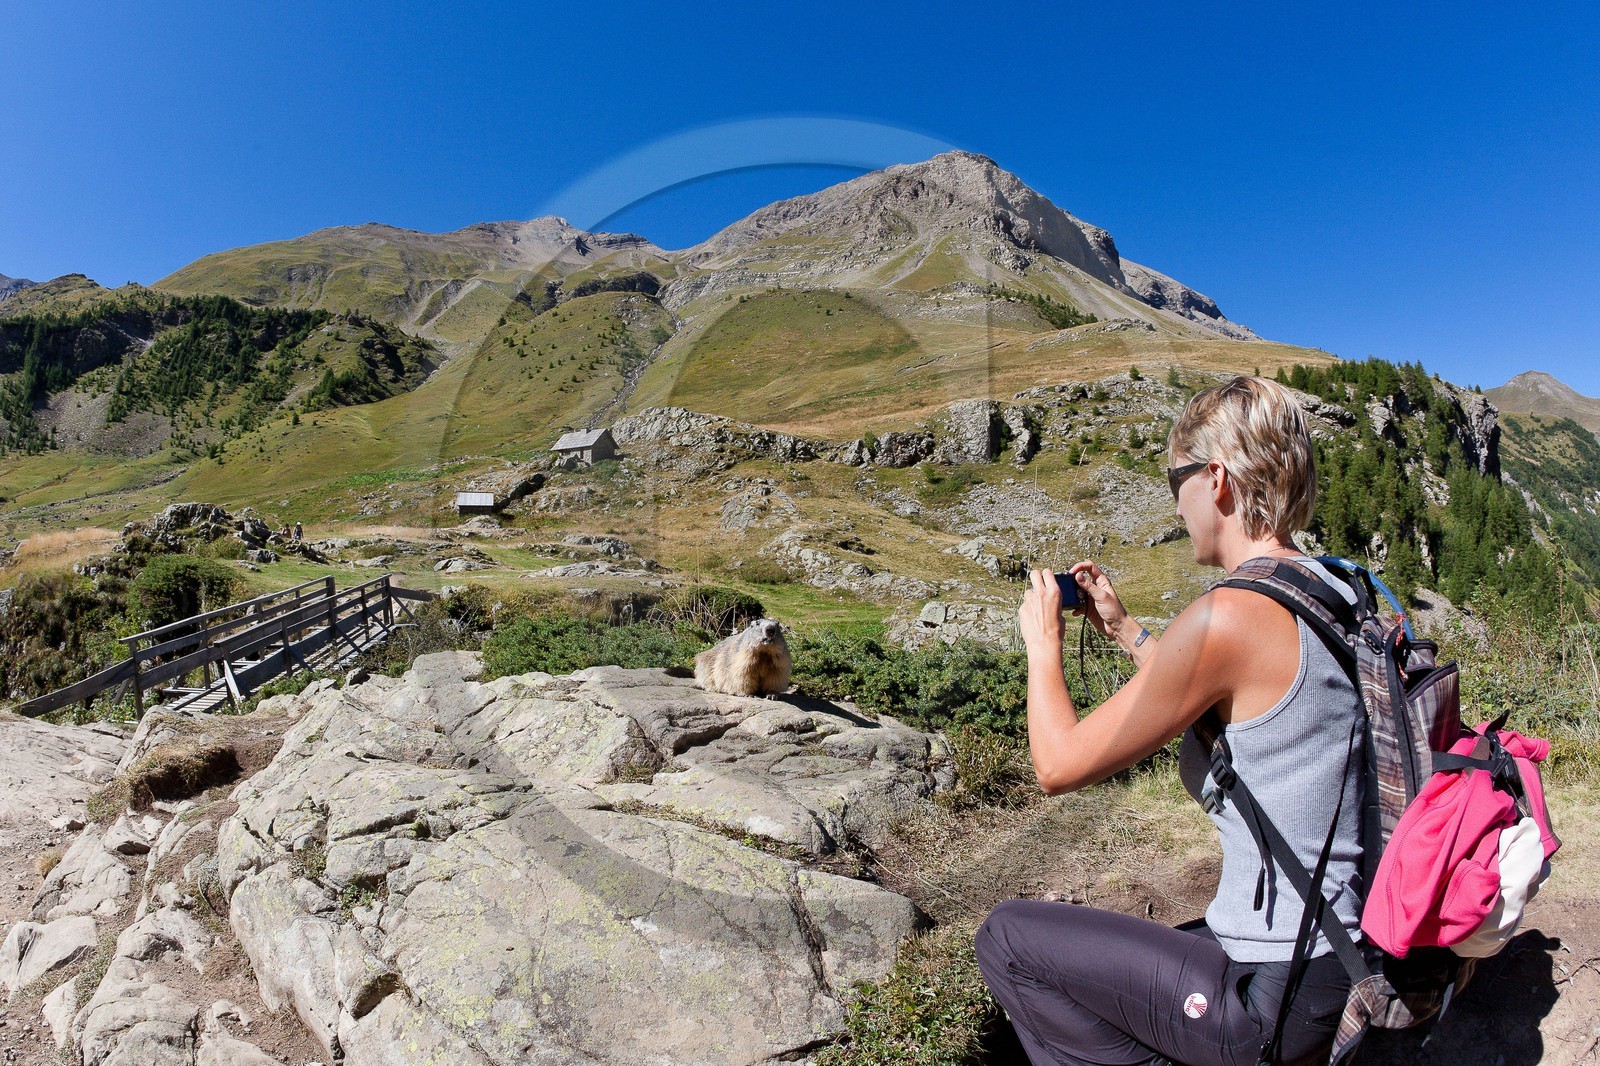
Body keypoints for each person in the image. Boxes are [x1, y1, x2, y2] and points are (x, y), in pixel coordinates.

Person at [976, 375, 1364, 1066]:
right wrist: (1124, 628)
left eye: (1173, 481)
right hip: (1349, 949)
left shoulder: (1233, 614)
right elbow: (1224, 691)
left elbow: (1057, 765)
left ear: (1215, 480)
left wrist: (1043, 646)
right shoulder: (1335, 585)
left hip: (1282, 991)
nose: (1175, 504)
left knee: (1008, 938)